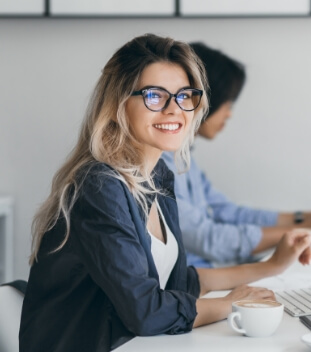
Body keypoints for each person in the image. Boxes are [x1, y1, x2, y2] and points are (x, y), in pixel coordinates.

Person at [19, 34, 311, 352]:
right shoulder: (99, 187)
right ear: (117, 104)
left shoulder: (157, 176)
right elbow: (145, 312)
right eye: (155, 96)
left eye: (185, 96)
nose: (175, 109)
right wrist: (231, 305)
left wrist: (272, 266)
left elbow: (176, 282)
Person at [162, 42, 311, 268]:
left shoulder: (184, 158)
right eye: (227, 102)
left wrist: (301, 219)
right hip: (195, 285)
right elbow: (206, 238)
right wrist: (297, 233)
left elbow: (227, 212)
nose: (229, 114)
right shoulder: (159, 164)